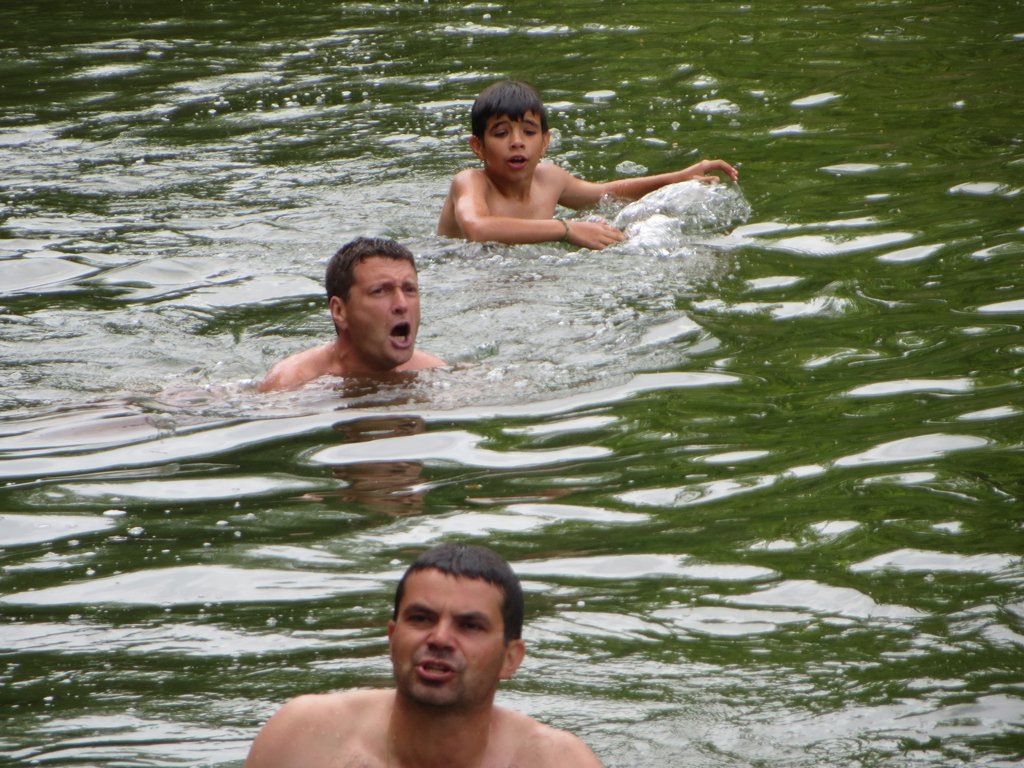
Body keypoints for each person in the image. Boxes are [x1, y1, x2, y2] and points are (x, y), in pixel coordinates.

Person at [243, 542, 604, 768]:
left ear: (510, 658)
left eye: (470, 626)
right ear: (392, 638)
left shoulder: (558, 762)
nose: (440, 638)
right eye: (421, 618)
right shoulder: (303, 739)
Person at [437, 79, 739, 251]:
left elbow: (607, 193)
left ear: (545, 142)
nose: (517, 142)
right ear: (478, 146)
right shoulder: (471, 182)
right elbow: (478, 228)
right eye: (501, 133)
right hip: (465, 272)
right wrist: (567, 229)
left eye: (528, 132)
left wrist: (678, 177)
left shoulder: (549, 179)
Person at [259, 237, 445, 392]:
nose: (402, 305)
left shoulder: (434, 374)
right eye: (380, 291)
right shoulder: (290, 385)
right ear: (339, 311)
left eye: (409, 289)